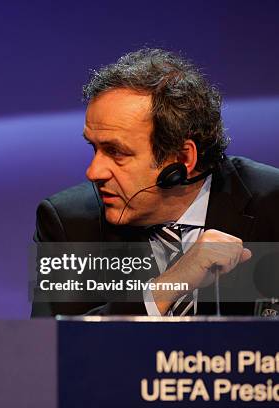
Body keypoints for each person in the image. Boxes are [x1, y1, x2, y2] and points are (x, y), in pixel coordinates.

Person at [32, 48, 279, 317]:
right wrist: (166, 288)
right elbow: (49, 349)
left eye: (116, 152)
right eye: (95, 148)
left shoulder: (272, 205)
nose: (93, 172)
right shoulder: (69, 223)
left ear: (182, 158)